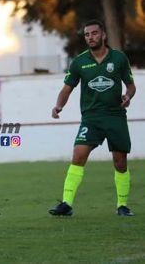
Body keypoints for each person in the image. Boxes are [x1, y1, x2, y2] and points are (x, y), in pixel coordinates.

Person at [48, 20, 136, 217]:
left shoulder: (119, 58)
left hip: (115, 116)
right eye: (87, 34)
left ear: (103, 35)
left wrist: (127, 97)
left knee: (120, 162)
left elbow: (131, 85)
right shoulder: (79, 62)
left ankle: (122, 205)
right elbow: (67, 88)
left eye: (94, 33)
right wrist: (58, 106)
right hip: (91, 118)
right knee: (78, 155)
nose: (90, 37)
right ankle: (66, 204)